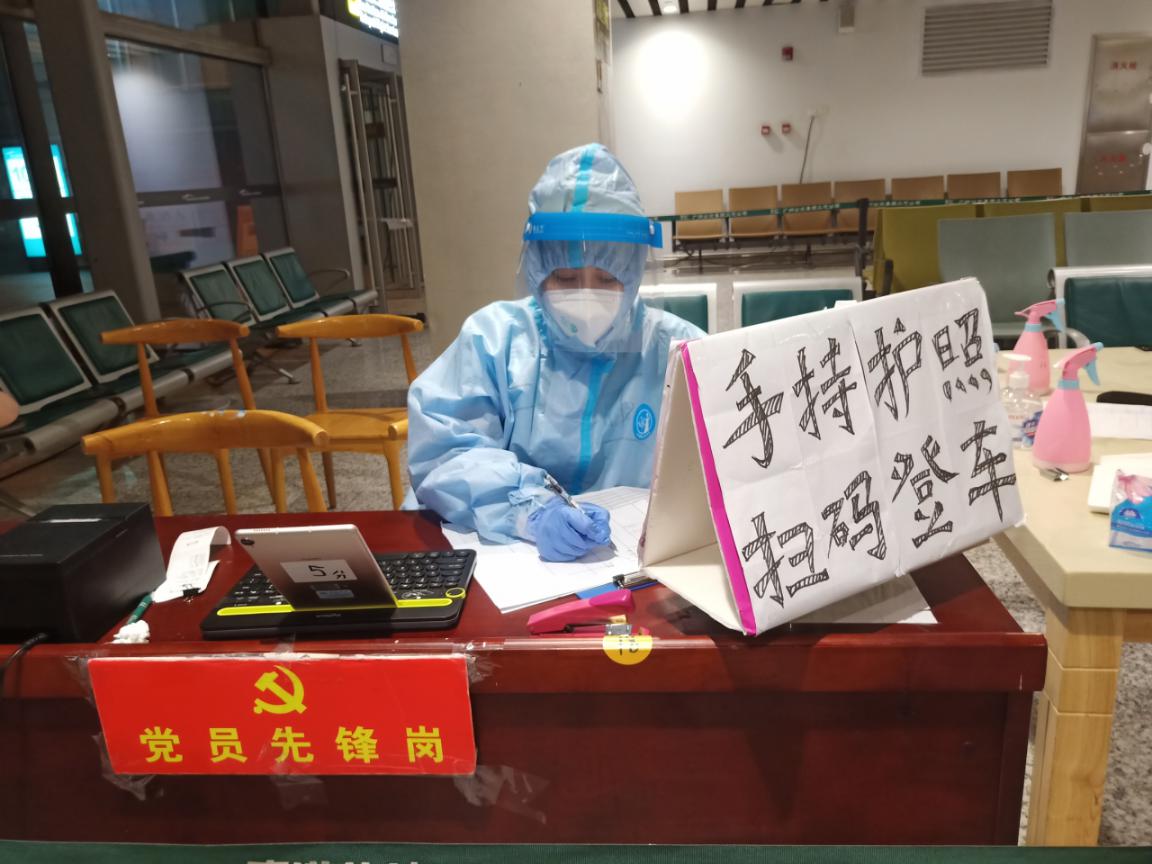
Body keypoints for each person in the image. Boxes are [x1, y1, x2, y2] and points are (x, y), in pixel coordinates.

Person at [406, 143, 705, 561]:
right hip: (510, 554)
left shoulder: (677, 350)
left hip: (636, 562)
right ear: (537, 269)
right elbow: (445, 452)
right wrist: (530, 511)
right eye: (565, 277)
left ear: (633, 272)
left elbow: (724, 460)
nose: (586, 295)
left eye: (607, 278)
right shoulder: (494, 339)